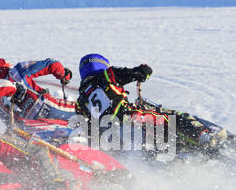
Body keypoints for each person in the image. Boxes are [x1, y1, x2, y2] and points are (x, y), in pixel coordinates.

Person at [75, 53, 226, 152]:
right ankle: (204, 137)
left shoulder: (80, 102)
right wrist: (143, 71)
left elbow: (87, 128)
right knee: (175, 118)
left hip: (110, 137)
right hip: (129, 118)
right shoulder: (108, 75)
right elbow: (136, 73)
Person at [0, 58, 77, 121]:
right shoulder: (16, 71)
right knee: (84, 110)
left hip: (30, 126)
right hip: (46, 107)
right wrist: (64, 74)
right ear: (5, 66)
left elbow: (9, 123)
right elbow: (51, 64)